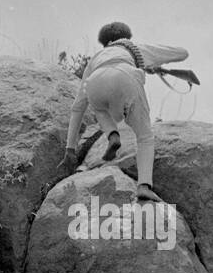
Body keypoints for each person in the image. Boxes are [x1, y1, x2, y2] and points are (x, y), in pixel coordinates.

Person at [62, 22, 196, 203]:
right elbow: (182, 53)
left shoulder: (96, 57)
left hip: (95, 81)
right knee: (145, 137)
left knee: (100, 109)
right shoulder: (136, 48)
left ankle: (112, 134)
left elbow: (78, 107)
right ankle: (144, 186)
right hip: (126, 76)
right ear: (126, 37)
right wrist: (153, 60)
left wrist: (70, 148)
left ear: (106, 43)